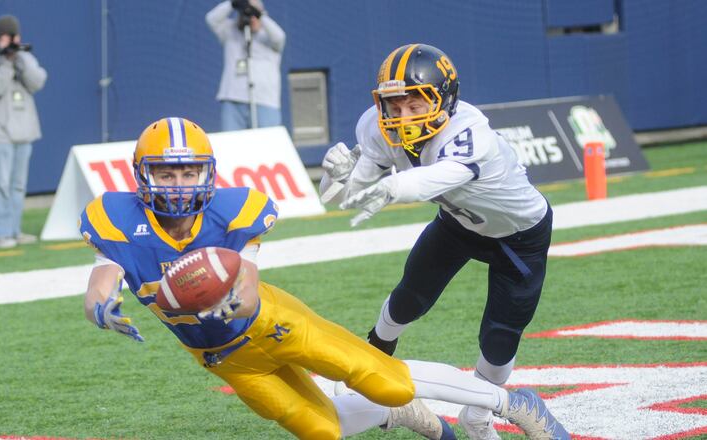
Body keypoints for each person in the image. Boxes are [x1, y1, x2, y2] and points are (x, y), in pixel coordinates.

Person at [80, 117, 570, 440]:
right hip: (222, 359)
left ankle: (510, 402)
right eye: (166, 174)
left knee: (387, 381)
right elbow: (103, 277)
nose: (179, 185)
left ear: (208, 174)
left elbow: (247, 285)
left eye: (189, 174)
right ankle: (397, 417)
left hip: (272, 324)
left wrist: (231, 299)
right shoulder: (116, 219)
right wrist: (101, 306)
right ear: (141, 175)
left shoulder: (233, 210)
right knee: (322, 431)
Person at [319, 43, 556, 440]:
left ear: (445, 99)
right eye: (394, 107)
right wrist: (336, 176)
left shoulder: (470, 131)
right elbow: (338, 197)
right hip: (457, 222)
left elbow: (435, 178)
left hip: (520, 234)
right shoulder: (376, 128)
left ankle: (478, 415)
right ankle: (374, 357)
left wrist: (390, 185)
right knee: (411, 294)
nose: (402, 117)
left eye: (415, 105)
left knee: (499, 336)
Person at [0, 14, 47, 249]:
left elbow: (38, 81)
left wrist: (19, 60)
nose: (13, 40)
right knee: (1, 183)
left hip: (24, 130)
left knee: (18, 184)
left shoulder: (24, 57)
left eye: (15, 35)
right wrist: (6, 62)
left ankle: (14, 230)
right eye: (8, 36)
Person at [206, 0, 285, 131]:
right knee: (233, 143)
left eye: (254, 14)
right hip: (234, 99)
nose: (251, 18)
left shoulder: (269, 37)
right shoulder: (230, 31)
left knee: (268, 145)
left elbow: (280, 37)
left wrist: (260, 15)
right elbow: (211, 19)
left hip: (264, 101)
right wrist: (232, 4)